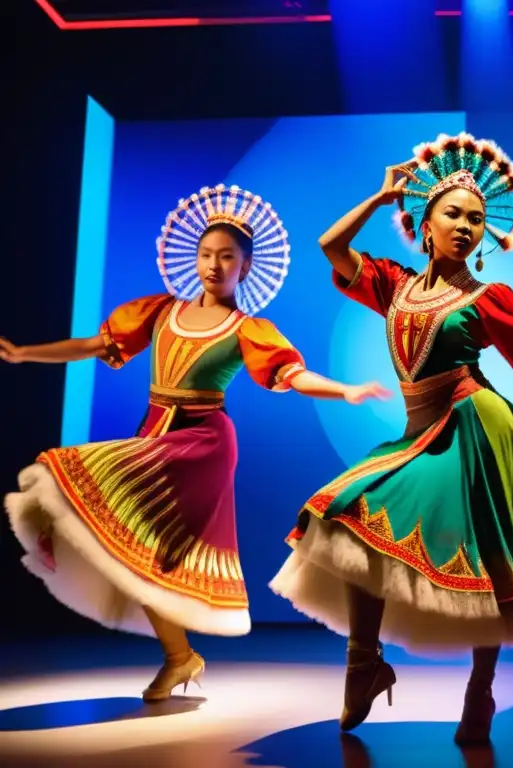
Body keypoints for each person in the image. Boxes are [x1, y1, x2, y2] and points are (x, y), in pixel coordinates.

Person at [270, 132, 513, 743]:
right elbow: (331, 245)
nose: (466, 225)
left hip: (476, 426)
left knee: (489, 561)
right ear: (425, 223)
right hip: (419, 433)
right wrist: (381, 196)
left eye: (477, 219)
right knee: (348, 514)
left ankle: (479, 693)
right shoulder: (394, 285)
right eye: (453, 214)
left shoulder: (488, 299)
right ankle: (363, 665)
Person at [2, 184, 389, 702]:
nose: (213, 264)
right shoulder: (161, 312)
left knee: (147, 548)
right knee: (138, 553)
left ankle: (180, 657)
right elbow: (96, 345)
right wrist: (26, 353)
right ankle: (179, 658)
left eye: (227, 257)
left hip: (201, 443)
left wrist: (345, 389)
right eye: (207, 254)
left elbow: (292, 375)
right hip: (153, 434)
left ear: (244, 268)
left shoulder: (247, 328)